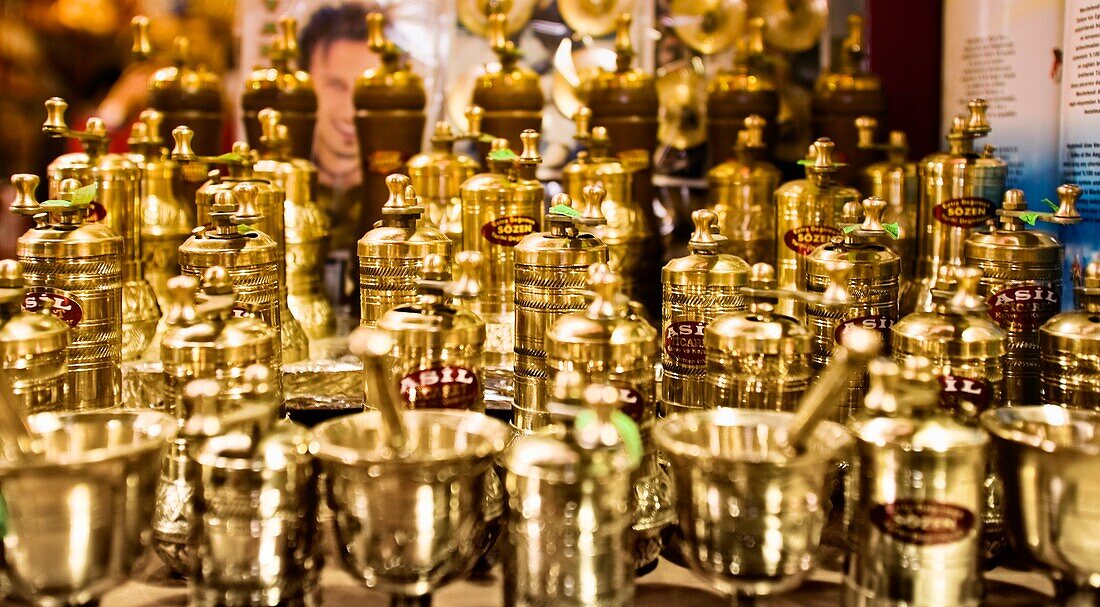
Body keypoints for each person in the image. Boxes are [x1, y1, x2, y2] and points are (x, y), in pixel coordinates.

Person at [298, 2, 383, 307]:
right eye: (336, 86)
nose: (350, 112)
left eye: (365, 89)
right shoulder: (282, 195)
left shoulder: (394, 200)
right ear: (306, 83)